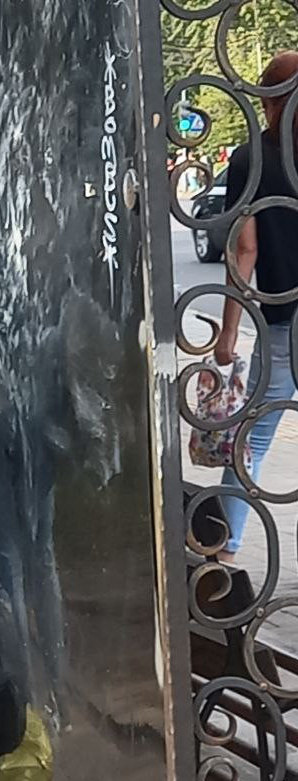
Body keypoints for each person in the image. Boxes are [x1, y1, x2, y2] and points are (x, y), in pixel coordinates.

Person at [215, 51, 298, 560]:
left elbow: (245, 250)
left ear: (266, 100)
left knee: (256, 437)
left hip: (282, 316)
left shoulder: (251, 159)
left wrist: (227, 333)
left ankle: (223, 546)